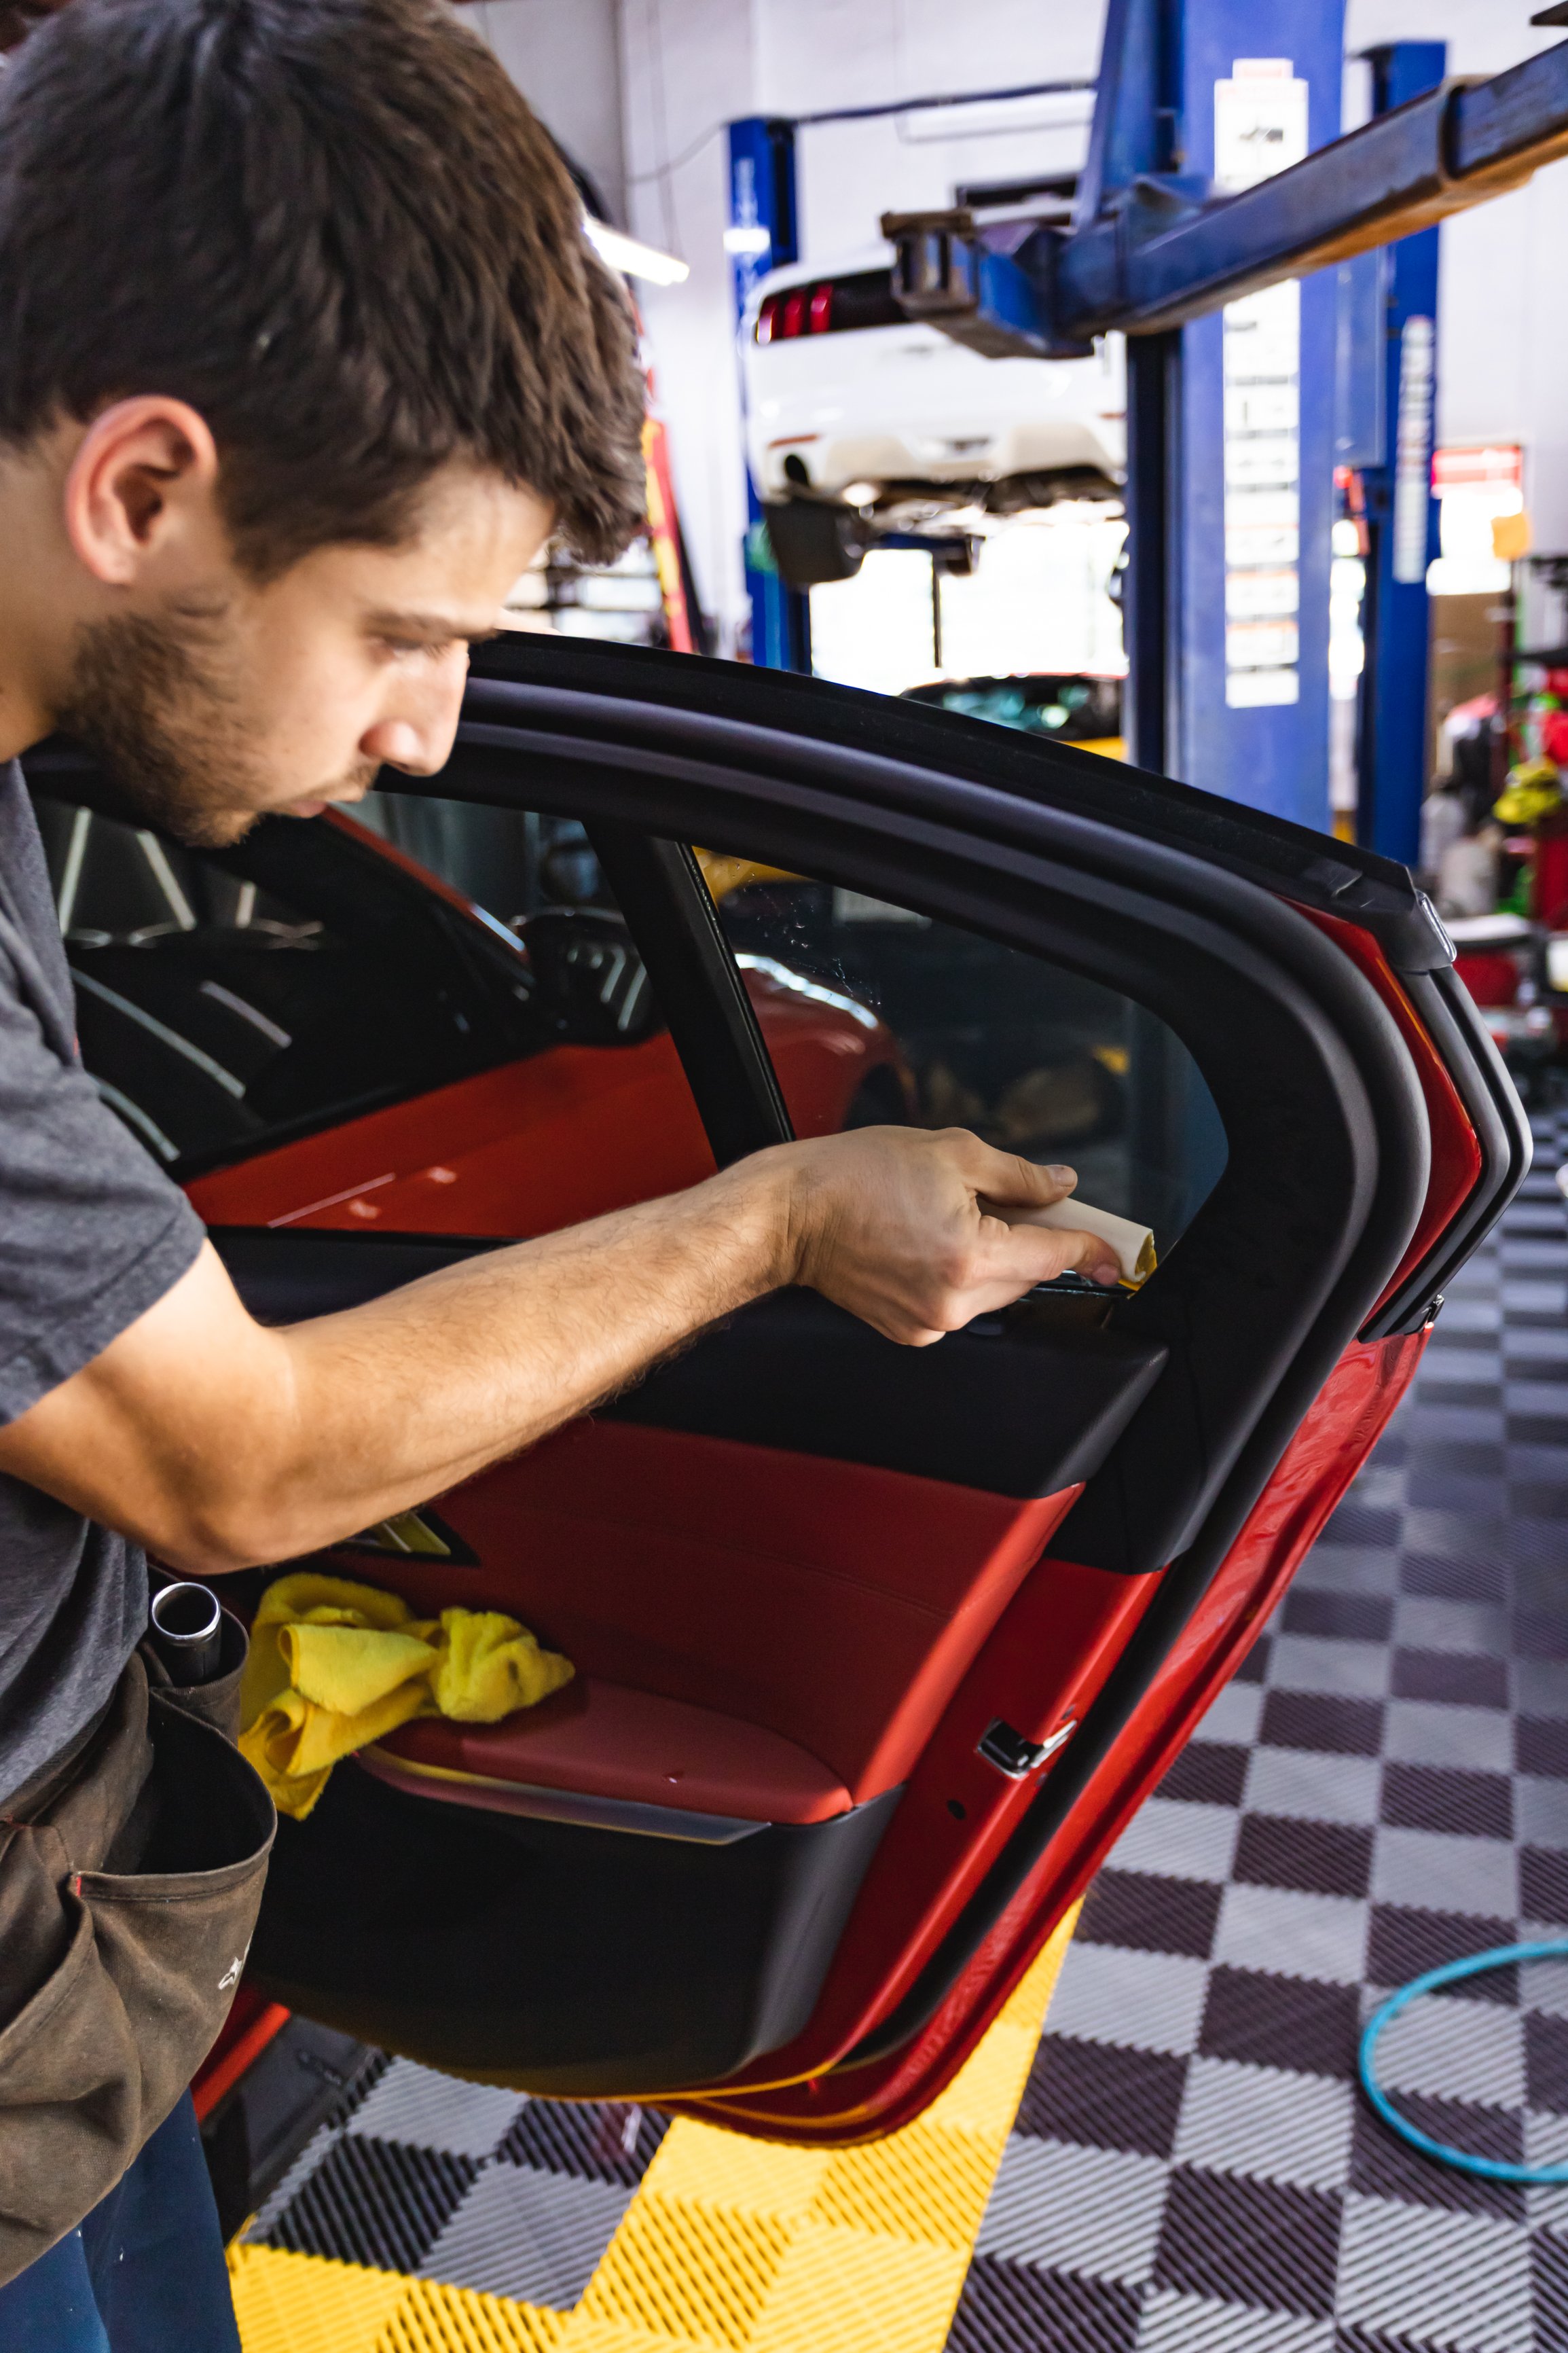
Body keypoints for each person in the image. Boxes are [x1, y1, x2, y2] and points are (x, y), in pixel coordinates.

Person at [0, 0, 1120, 2340]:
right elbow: (236, 1458)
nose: (424, 733)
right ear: (141, 490)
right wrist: (778, 1213)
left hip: (65, 1885)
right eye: (401, 633)